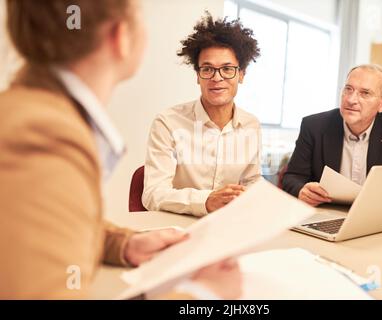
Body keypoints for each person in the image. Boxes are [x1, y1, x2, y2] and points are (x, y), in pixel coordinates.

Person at [0, 0, 240, 299]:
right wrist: (203, 295)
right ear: (121, 36)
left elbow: (35, 231)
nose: (217, 77)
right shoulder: (42, 136)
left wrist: (121, 244)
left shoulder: (29, 113)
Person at [142, 13, 262, 216]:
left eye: (227, 69)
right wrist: (206, 201)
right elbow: (153, 194)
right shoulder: (168, 122)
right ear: (198, 76)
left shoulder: (251, 124)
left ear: (241, 75)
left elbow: (252, 181)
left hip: (231, 226)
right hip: (179, 228)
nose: (217, 77)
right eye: (207, 69)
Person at [282, 64, 382, 211]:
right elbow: (292, 178)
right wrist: (301, 190)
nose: (351, 99)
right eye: (348, 89)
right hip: (325, 213)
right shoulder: (314, 126)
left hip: (374, 215)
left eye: (365, 93)